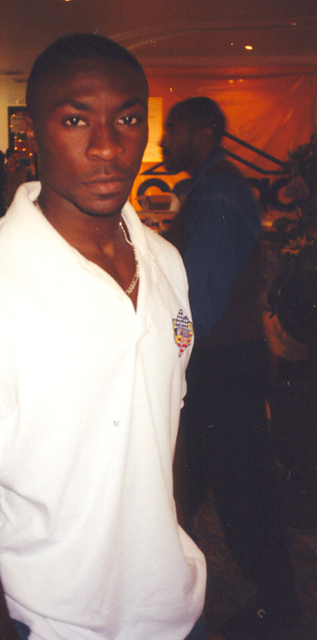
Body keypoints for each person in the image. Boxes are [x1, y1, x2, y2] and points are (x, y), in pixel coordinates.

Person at [0, 34, 207, 640]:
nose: (106, 146)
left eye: (127, 119)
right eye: (75, 119)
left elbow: (159, 429)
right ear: (33, 132)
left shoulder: (166, 263)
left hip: (173, 610)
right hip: (49, 622)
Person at [161, 97, 300, 638]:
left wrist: (167, 353)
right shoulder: (210, 189)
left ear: (204, 133)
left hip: (220, 363)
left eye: (173, 129)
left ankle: (278, 608)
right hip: (223, 360)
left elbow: (199, 300)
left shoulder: (217, 193)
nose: (163, 140)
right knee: (197, 482)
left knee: (241, 489)